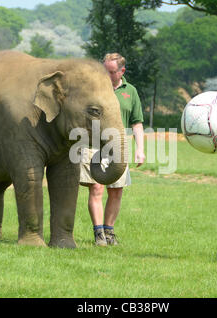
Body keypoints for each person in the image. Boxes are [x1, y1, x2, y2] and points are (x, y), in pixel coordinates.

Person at [80, 53, 145, 246]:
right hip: (94, 145)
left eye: (111, 71)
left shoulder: (130, 91)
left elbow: (137, 123)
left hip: (119, 146)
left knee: (116, 191)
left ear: (121, 71)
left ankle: (109, 231)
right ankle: (98, 233)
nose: (106, 75)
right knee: (97, 188)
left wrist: (140, 149)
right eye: (103, 70)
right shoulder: (94, 89)